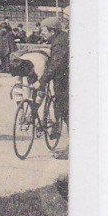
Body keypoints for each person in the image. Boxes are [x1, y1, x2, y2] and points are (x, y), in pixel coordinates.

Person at [33, 16, 69, 156]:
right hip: (63, 81)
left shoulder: (59, 43)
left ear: (52, 31)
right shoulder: (61, 39)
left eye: (44, 31)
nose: (42, 33)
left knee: (67, 113)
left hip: (65, 83)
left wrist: (41, 82)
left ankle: (72, 149)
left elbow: (56, 64)